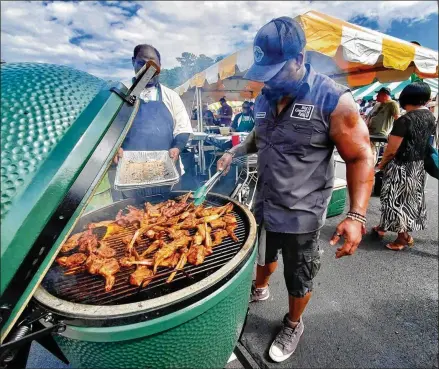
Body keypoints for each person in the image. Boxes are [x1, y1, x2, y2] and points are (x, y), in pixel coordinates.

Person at [217, 17, 374, 363]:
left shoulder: (333, 99)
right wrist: (233, 151)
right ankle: (259, 289)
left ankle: (293, 322)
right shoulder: (263, 98)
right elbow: (258, 138)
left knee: (298, 275)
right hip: (265, 201)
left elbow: (362, 154)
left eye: (277, 70)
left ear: (300, 59)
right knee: (262, 256)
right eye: (265, 71)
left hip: (303, 212)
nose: (269, 79)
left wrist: (356, 214)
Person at [114, 44, 193, 195]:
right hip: (131, 176)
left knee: (170, 213)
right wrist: (114, 147)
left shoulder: (171, 96)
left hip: (167, 172)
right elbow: (110, 129)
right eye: (141, 63)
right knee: (133, 216)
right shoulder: (122, 94)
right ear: (133, 62)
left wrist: (177, 147)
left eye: (152, 64)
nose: (148, 68)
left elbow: (182, 128)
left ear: (159, 66)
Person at [372, 82, 436, 250]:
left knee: (396, 200)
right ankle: (382, 227)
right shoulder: (430, 117)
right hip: (418, 166)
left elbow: (391, 150)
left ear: (405, 98)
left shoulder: (404, 120)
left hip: (401, 166)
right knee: (410, 200)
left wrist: (380, 164)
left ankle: (402, 238)